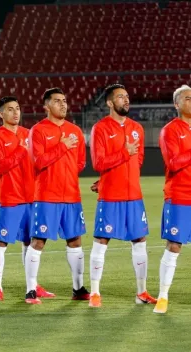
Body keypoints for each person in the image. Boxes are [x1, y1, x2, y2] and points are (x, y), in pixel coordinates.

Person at [89, 84, 156, 308]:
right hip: (110, 197)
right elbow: (98, 162)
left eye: (127, 96)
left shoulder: (137, 127)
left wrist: (121, 172)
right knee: (101, 241)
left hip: (133, 196)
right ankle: (95, 293)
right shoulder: (100, 128)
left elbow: (138, 160)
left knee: (140, 241)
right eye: (120, 97)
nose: (126, 100)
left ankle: (141, 292)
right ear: (109, 103)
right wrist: (123, 154)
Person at [26, 88, 90, 304]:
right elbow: (38, 161)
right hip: (47, 196)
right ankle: (31, 289)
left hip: (71, 196)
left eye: (64, 101)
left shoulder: (75, 131)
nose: (63, 105)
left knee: (75, 241)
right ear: (46, 106)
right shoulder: (38, 130)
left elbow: (80, 162)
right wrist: (62, 147)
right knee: (38, 241)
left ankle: (78, 288)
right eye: (57, 101)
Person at [0, 96, 54, 301]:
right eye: (10, 109)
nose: (15, 112)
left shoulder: (29, 134)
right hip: (10, 199)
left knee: (31, 242)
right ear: (1, 114)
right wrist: (20, 149)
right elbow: (0, 166)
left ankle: (32, 285)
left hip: (32, 198)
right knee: (1, 242)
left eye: (17, 108)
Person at [154, 85, 191, 314]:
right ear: (177, 104)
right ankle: (163, 296)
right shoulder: (170, 131)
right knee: (174, 246)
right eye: (187, 98)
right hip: (180, 196)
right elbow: (174, 163)